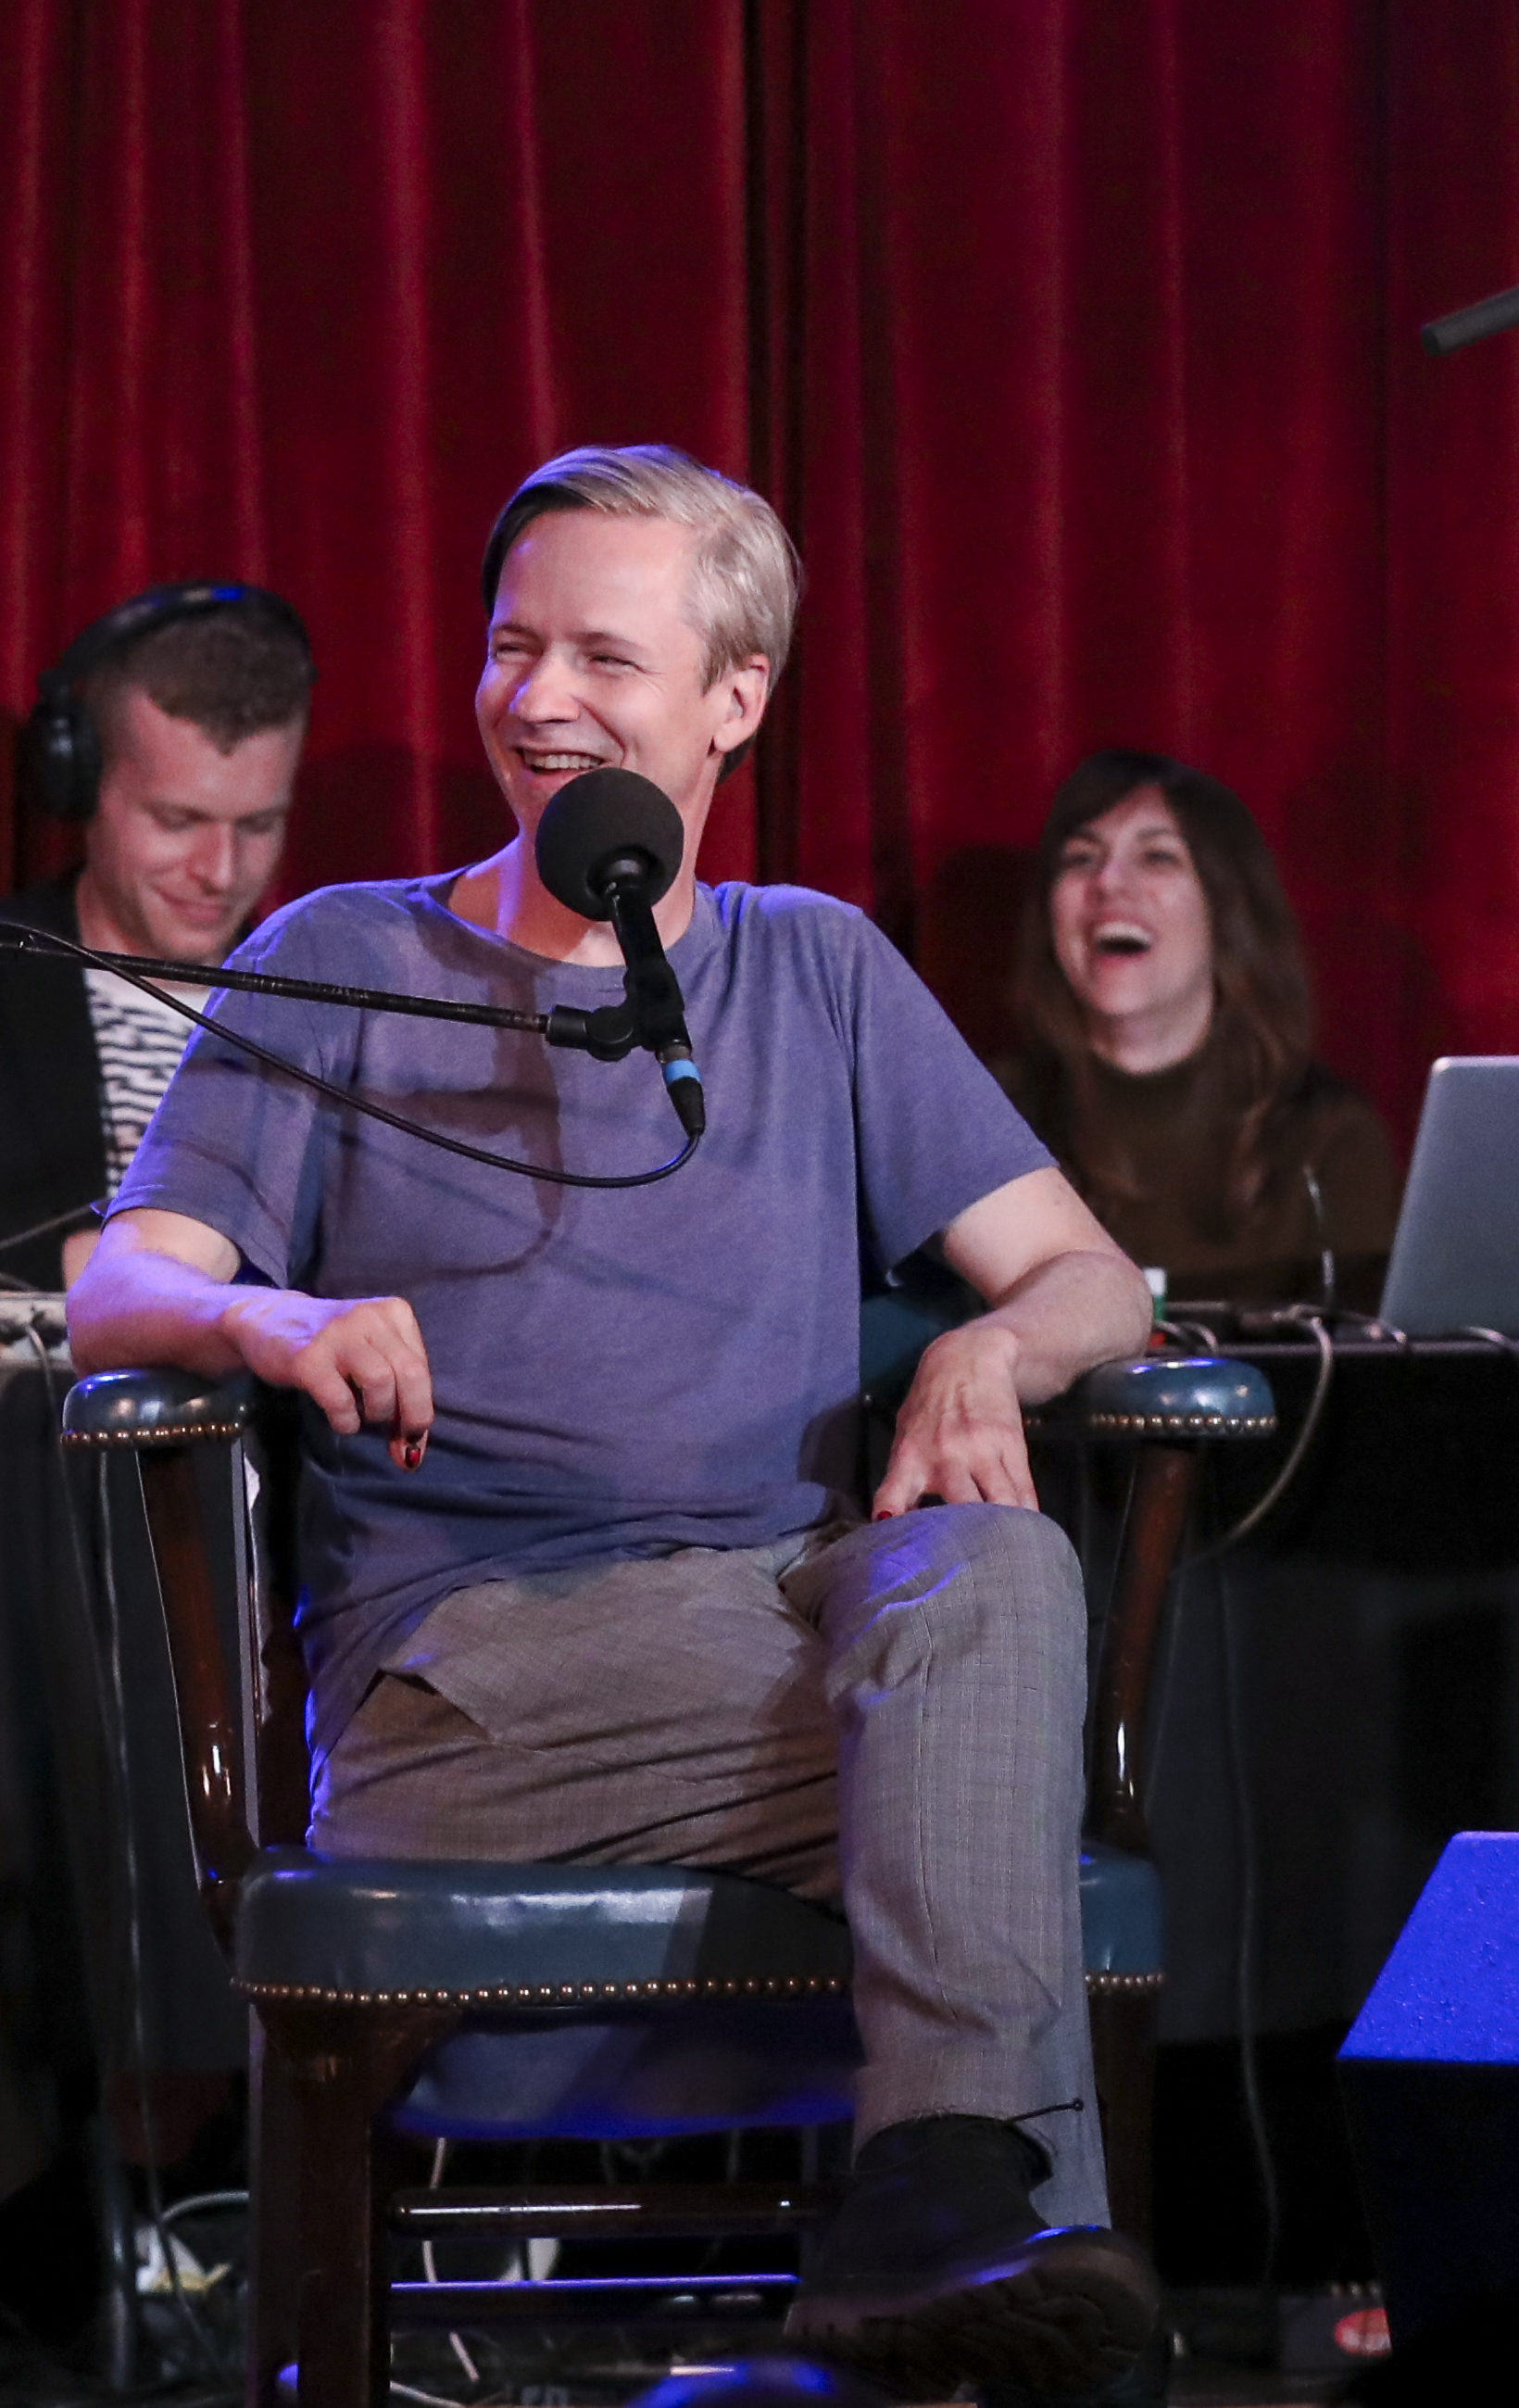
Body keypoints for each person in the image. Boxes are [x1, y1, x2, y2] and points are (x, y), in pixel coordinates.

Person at [67, 445, 1165, 2403]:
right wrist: (264, 1304)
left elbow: (1092, 1282)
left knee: (997, 1564)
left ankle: (929, 2203)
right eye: (508, 647)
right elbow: (110, 1284)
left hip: (781, 1622)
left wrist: (983, 1356)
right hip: (467, 1678)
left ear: (731, 700)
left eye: (599, 654)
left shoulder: (811, 968)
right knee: (981, 1787)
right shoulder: (340, 953)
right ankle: (987, 2270)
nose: (536, 697)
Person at [0, 584, 312, 1273]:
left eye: (258, 825)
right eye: (178, 822)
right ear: (81, 786)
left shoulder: (318, 1008)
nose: (221, 871)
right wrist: (93, 1273)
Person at [1004, 749, 1401, 1308]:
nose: (1109, 884)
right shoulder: (987, 1124)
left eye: (1157, 857)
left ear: (1227, 906)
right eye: (1080, 858)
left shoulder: (1330, 1138)